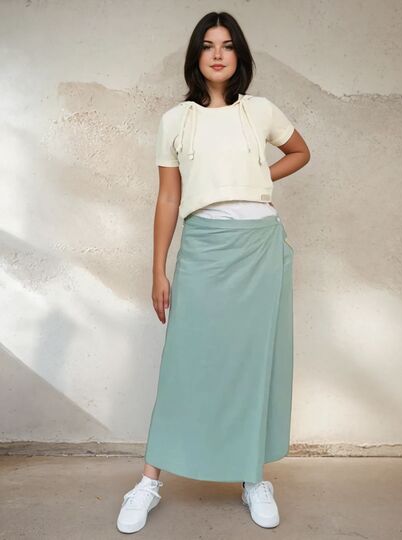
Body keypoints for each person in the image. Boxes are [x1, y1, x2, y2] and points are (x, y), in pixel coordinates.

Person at [116, 11, 310, 533]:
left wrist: (257, 177)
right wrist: (158, 270)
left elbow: (300, 152)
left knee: (253, 363)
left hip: (260, 248)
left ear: (239, 54)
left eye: (226, 45)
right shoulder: (175, 121)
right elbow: (168, 198)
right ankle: (149, 482)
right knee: (185, 362)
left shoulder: (260, 111)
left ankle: (253, 477)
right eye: (207, 45)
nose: (218, 54)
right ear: (195, 56)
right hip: (204, 246)